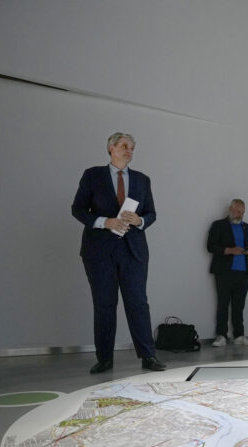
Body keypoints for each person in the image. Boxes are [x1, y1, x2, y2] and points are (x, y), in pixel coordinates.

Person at [72, 132, 166, 374]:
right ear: (111, 148)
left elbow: (151, 213)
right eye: (124, 146)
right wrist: (105, 222)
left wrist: (139, 220)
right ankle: (104, 359)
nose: (129, 150)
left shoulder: (142, 180)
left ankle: (148, 356)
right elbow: (78, 209)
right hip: (99, 252)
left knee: (138, 303)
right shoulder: (93, 175)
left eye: (132, 147)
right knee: (104, 305)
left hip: (133, 251)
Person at [207, 199, 248, 346]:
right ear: (230, 209)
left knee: (239, 306)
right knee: (223, 304)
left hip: (242, 272)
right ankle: (221, 336)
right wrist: (230, 250)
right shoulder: (218, 225)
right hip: (224, 272)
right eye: (237, 211)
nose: (240, 215)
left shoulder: (247, 227)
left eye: (242, 212)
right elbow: (210, 246)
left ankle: (239, 335)